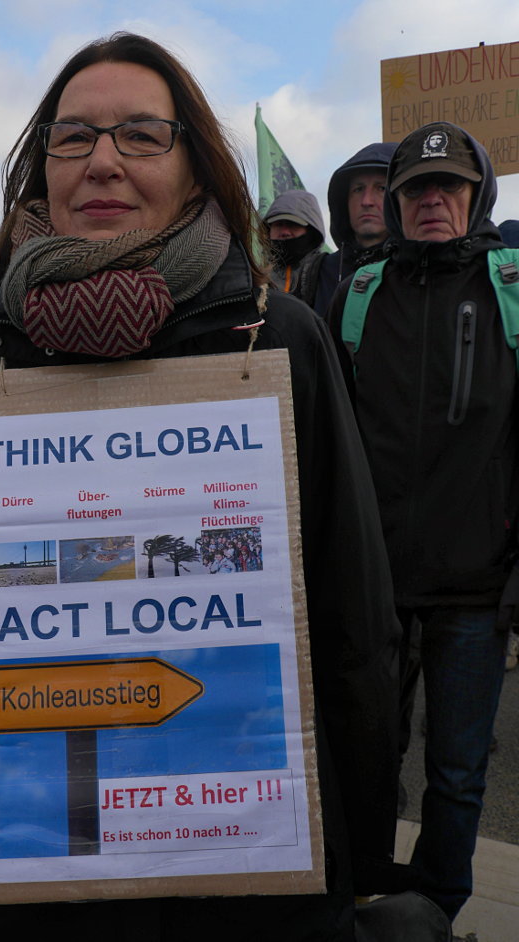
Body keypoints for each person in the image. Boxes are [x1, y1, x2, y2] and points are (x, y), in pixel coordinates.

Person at [0, 33, 401, 941]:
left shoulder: (277, 340)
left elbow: (351, 608)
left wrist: (357, 827)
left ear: (197, 170)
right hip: (37, 856)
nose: (103, 162)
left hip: (251, 861)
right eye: (73, 137)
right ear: (38, 170)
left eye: (140, 135)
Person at [327, 121, 515, 923]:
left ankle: (436, 908)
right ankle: (367, 887)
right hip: (375, 587)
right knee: (365, 757)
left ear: (477, 199)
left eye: (449, 187)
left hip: (476, 588)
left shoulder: (511, 291)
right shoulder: (358, 296)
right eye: (415, 189)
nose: (431, 200)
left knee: (459, 769)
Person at [313, 142, 396, 315]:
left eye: (381, 188)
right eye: (358, 189)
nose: (366, 201)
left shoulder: (418, 269)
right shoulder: (316, 274)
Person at [262, 189, 327, 307]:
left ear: (311, 232)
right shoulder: (255, 277)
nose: (285, 231)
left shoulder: (326, 273)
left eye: (293, 224)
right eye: (278, 224)